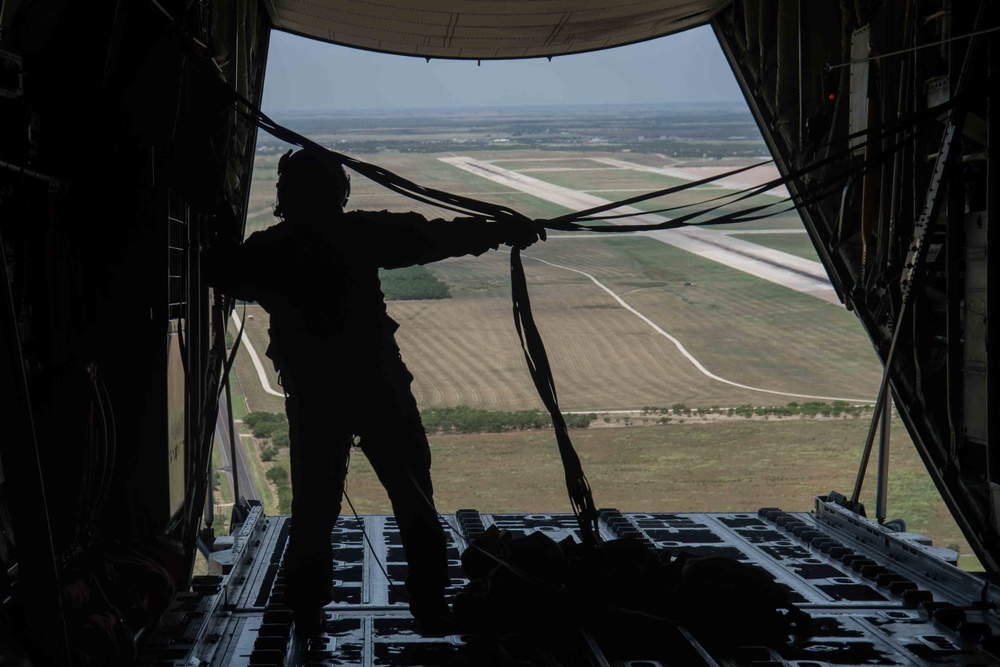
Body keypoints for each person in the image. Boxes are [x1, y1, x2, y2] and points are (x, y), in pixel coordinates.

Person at [206, 149, 542, 635]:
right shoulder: (360, 233)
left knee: (314, 509)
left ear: (285, 196)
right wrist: (503, 230)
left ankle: (307, 612)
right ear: (340, 192)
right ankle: (429, 608)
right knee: (413, 500)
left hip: (316, 396)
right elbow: (436, 235)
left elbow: (222, 271)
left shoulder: (269, 249)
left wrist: (218, 217)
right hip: (377, 386)